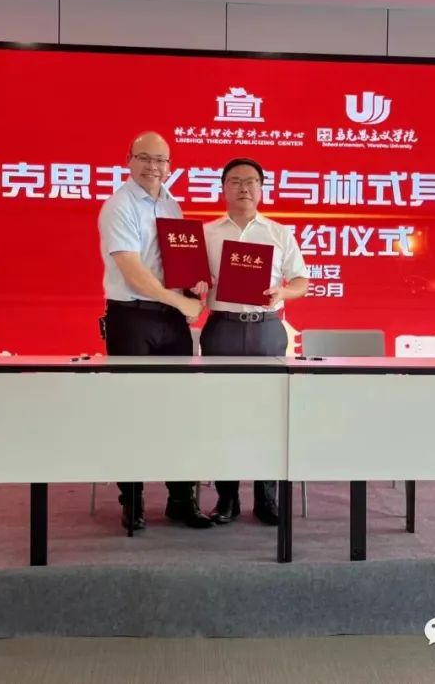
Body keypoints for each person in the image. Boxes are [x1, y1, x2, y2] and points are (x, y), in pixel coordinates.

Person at [97, 131, 213, 532]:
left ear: (170, 166)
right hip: (132, 318)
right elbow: (133, 271)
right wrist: (181, 302)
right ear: (129, 160)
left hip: (170, 320)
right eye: (145, 158)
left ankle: (181, 499)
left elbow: (174, 262)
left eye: (161, 160)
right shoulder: (119, 205)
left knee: (178, 410)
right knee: (132, 412)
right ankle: (132, 501)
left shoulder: (170, 203)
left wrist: (192, 286)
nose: (153, 166)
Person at [200, 157, 309, 525]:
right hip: (223, 329)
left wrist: (282, 291)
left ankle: (267, 498)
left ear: (262, 189)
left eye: (251, 181)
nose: (243, 187)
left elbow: (301, 281)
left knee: (269, 414)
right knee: (222, 415)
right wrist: (195, 286)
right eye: (234, 181)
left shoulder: (279, 233)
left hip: (266, 329)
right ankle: (226, 498)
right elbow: (190, 281)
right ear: (223, 188)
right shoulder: (207, 234)